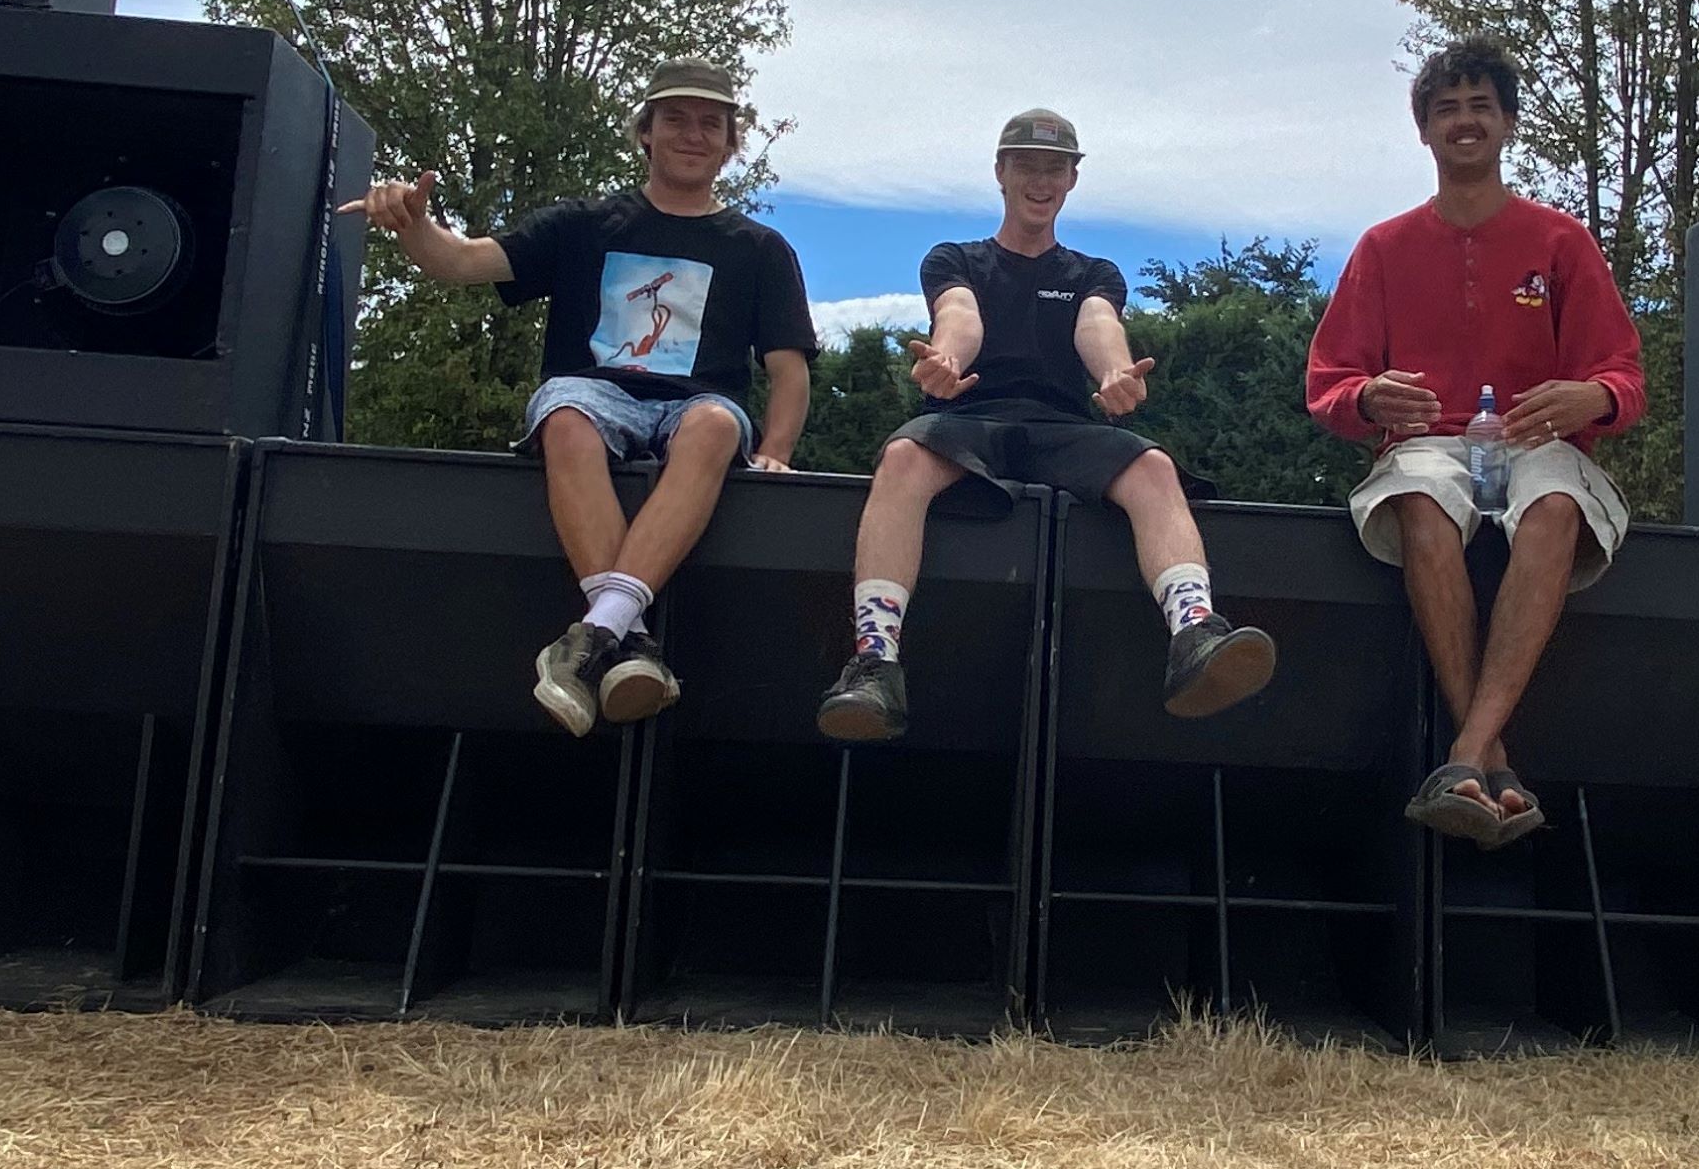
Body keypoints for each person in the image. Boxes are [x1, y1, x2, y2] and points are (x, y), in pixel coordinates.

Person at [350, 58, 813, 735]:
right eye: (676, 119)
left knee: (715, 425)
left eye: (711, 123)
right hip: (594, 395)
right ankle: (623, 641)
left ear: (730, 142)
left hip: (695, 409)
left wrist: (775, 452)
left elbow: (789, 367)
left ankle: (589, 641)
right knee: (564, 415)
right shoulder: (584, 224)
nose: (693, 134)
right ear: (645, 133)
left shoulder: (761, 248)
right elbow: (462, 261)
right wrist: (412, 225)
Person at [815, 107, 1274, 742]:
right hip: (968, 418)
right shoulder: (955, 258)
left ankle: (1194, 633)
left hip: (1064, 429)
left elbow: (1098, 324)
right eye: (1027, 165)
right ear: (1000, 173)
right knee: (901, 458)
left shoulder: (1093, 273)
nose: (1041, 180)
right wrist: (948, 357)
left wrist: (1115, 373)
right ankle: (875, 663)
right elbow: (960, 314)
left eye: (1055, 168)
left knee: (1154, 466)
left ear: (1072, 180)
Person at [1303, 34, 1646, 847]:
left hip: (1534, 444)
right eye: (1446, 109)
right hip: (1429, 445)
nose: (1463, 122)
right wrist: (1370, 396)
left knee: (1559, 501)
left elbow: (1624, 378)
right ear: (1423, 130)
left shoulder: (1561, 242)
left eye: (1479, 107)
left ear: (1508, 125)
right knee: (1419, 499)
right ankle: (1490, 757)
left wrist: (1587, 395)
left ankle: (1464, 753)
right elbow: (1328, 384)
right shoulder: (1383, 248)